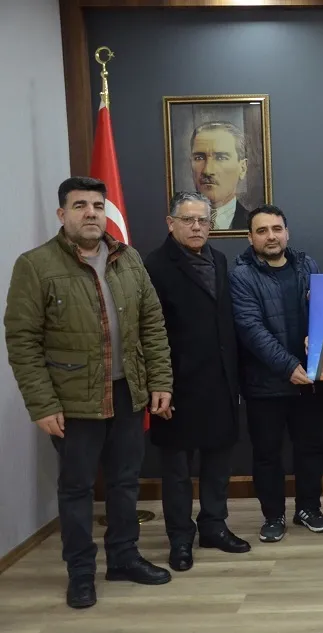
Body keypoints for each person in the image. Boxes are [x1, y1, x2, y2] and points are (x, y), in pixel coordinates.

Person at [4, 177, 174, 608]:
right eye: (80, 205)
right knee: (77, 489)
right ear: (62, 214)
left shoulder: (128, 258)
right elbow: (23, 341)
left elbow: (152, 324)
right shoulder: (36, 265)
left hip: (128, 393)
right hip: (73, 402)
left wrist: (160, 381)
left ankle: (124, 558)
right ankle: (81, 573)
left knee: (124, 482)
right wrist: (42, 404)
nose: (91, 213)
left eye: (97, 205)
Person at [144, 191, 250, 572]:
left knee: (219, 463)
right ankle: (180, 538)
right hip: (175, 386)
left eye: (203, 220)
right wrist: (159, 385)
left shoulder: (219, 259)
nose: (196, 227)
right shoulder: (153, 266)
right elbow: (147, 331)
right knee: (176, 472)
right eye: (188, 220)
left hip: (220, 380)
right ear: (170, 223)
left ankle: (214, 526)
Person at [229, 205, 323, 543]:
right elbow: (251, 330)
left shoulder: (307, 265)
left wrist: (318, 336)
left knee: (310, 449)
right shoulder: (241, 275)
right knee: (267, 455)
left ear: (287, 233)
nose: (270, 236)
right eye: (262, 231)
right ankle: (273, 516)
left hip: (310, 380)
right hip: (266, 384)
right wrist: (288, 367)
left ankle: (309, 509)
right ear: (250, 237)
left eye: (276, 229)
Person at [190, 121, 250, 231]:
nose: (207, 170)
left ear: (242, 168)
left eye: (221, 158)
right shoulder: (177, 227)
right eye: (199, 158)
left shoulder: (252, 224)